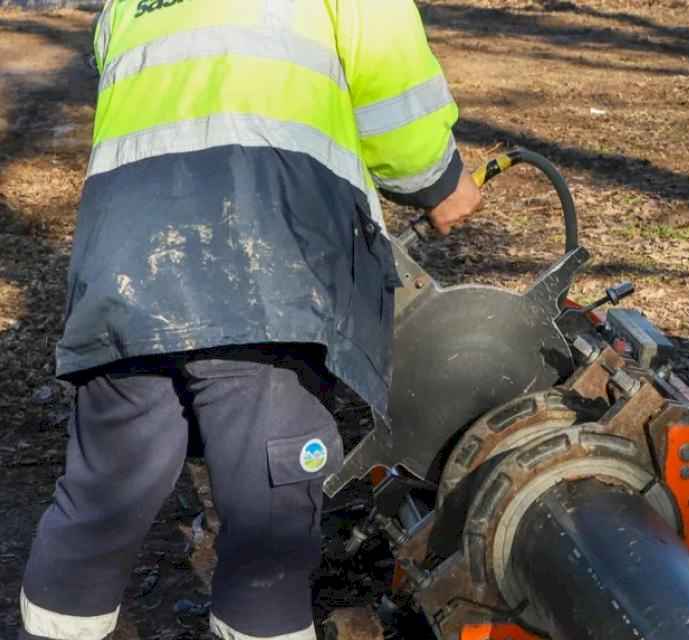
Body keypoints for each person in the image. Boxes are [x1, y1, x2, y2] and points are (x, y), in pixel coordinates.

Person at [19, 1, 481, 638]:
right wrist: (441, 180)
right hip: (262, 269)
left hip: (124, 272)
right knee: (270, 528)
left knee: (98, 506)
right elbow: (391, 84)